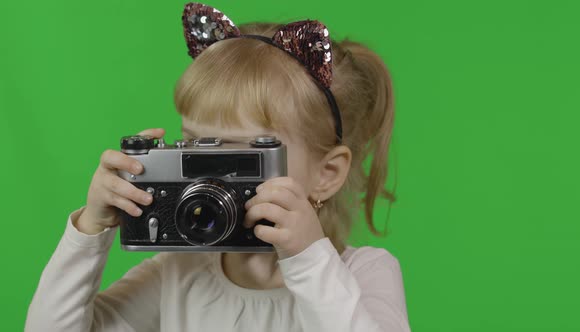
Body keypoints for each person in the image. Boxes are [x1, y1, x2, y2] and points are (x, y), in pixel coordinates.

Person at [25, 3, 411, 331]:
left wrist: (308, 258)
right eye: (196, 148)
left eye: (248, 156)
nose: (214, 181)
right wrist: (89, 232)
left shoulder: (365, 274)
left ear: (327, 174)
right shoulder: (180, 272)